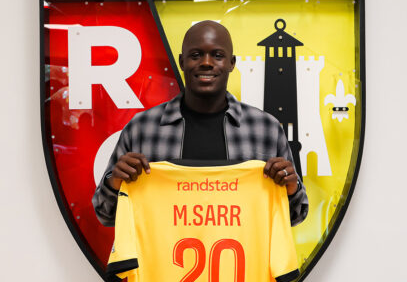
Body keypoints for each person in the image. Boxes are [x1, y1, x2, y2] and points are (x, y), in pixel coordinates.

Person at [92, 20, 308, 226]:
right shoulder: (142, 128)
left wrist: (291, 188)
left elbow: (295, 216)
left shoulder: (266, 129)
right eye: (196, 55)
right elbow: (105, 215)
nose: (206, 63)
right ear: (181, 62)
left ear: (232, 63)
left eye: (217, 55)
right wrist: (114, 182)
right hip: (164, 253)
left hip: (243, 253)